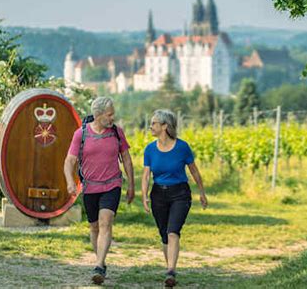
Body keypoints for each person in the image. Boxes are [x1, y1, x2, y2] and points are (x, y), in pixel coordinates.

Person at [64, 96, 135, 285]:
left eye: (113, 114)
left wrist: (131, 185)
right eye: (110, 115)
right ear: (98, 114)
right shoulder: (81, 134)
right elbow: (70, 161)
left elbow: (126, 159)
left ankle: (99, 265)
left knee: (106, 222)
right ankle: (100, 262)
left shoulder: (117, 133)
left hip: (112, 185)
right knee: (94, 227)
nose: (113, 118)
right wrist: (70, 181)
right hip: (90, 187)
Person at [141, 109, 208, 287]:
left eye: (154, 123)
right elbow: (146, 175)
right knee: (164, 234)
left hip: (180, 194)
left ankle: (171, 271)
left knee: (173, 231)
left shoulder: (182, 147)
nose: (151, 126)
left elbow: (194, 171)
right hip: (158, 195)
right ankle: (169, 267)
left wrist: (202, 192)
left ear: (164, 126)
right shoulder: (149, 149)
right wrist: (144, 196)